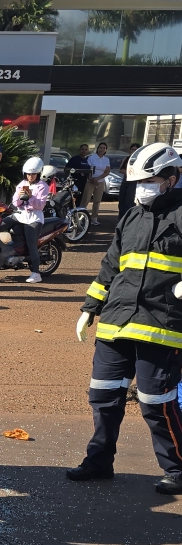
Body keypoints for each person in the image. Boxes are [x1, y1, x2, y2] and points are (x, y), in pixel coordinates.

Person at [67, 142, 182, 495]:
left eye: (148, 181)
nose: (141, 188)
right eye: (138, 182)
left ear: (171, 179)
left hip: (161, 324)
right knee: (103, 395)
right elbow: (111, 265)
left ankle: (177, 468)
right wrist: (90, 307)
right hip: (116, 320)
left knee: (156, 402)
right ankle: (99, 461)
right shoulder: (132, 216)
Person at [11, 156, 49, 284]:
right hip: (20, 214)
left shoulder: (43, 186)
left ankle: (36, 273)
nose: (30, 176)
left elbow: (40, 205)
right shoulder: (22, 184)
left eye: (33, 174)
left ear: (38, 174)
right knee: (1, 224)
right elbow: (15, 202)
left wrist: (31, 197)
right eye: (28, 174)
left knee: (31, 244)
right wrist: (20, 197)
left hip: (34, 217)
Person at [85, 141, 112, 226]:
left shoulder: (106, 159)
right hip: (90, 181)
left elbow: (107, 171)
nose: (102, 149)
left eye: (104, 148)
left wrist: (98, 179)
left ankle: (94, 218)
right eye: (101, 147)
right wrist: (93, 179)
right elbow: (88, 170)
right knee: (86, 199)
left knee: (97, 200)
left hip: (100, 182)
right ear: (98, 148)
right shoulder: (91, 158)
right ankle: (81, 217)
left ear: (106, 150)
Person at [116, 142, 142, 217]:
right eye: (132, 149)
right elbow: (120, 169)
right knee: (122, 200)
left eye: (135, 149)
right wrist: (129, 173)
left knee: (129, 201)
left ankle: (128, 218)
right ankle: (121, 218)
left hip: (134, 182)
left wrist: (132, 174)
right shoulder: (126, 158)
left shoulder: (140, 160)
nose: (133, 151)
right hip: (125, 181)